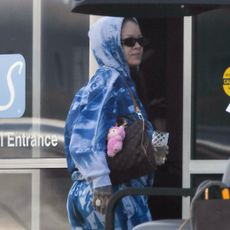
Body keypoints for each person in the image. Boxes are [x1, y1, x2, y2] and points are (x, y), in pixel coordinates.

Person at [64, 16, 167, 230]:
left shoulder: (124, 82)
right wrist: (100, 181)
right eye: (129, 41)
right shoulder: (109, 79)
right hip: (111, 195)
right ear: (109, 43)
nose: (137, 46)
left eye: (141, 40)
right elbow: (85, 133)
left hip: (117, 193)